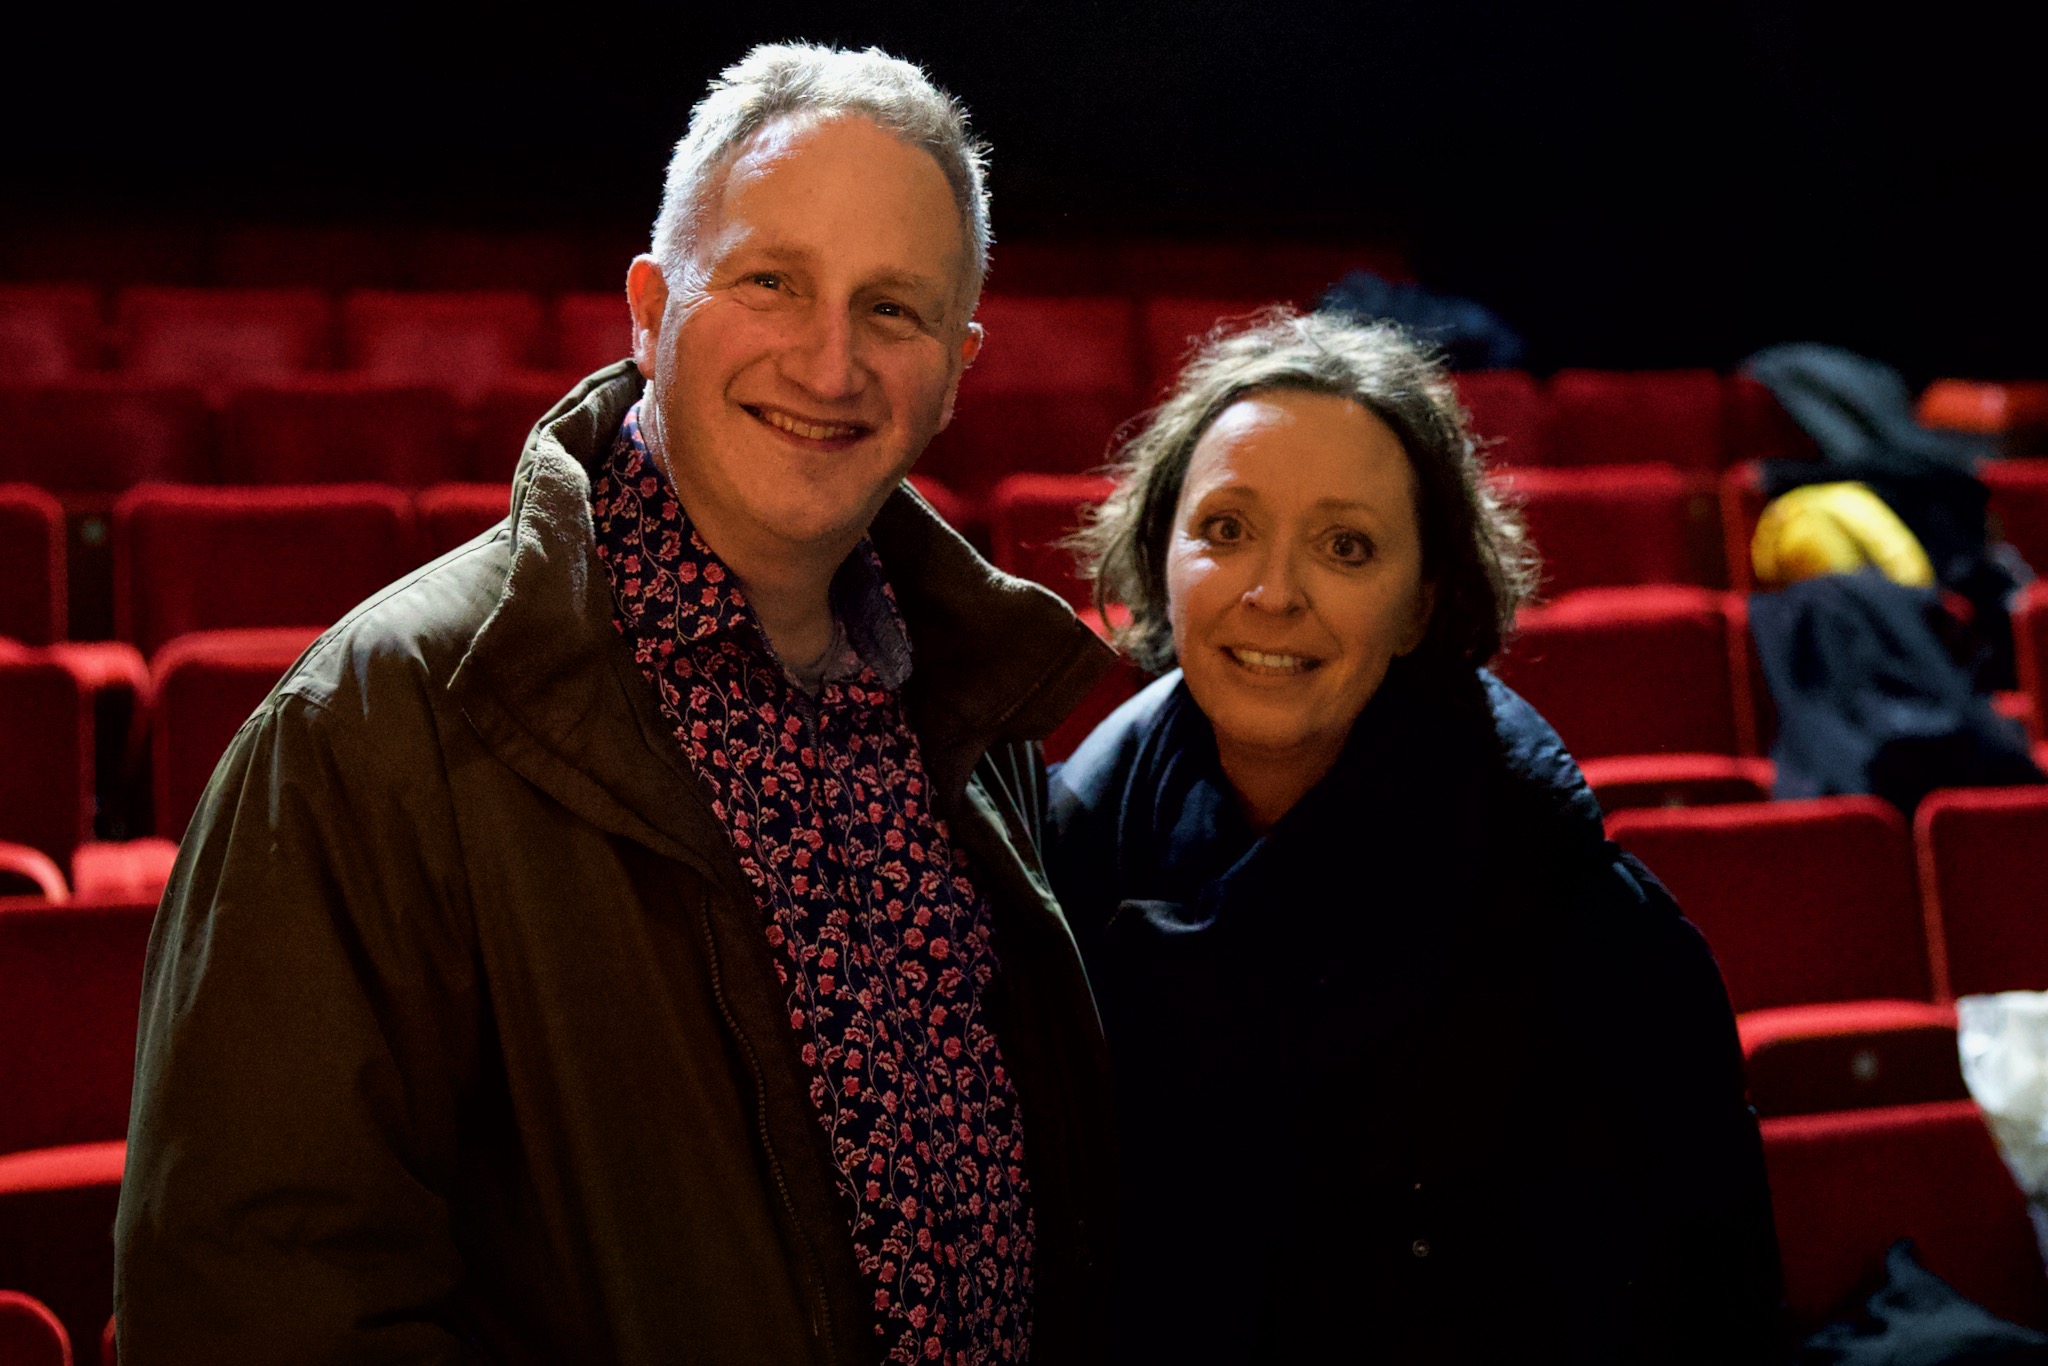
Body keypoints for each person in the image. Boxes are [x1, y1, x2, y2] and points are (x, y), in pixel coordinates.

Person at [115, 44, 1117, 1365]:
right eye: (770, 282)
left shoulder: (970, 713)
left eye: (893, 309)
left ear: (956, 366)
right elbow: (254, 1304)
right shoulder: (371, 726)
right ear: (649, 310)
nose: (830, 364)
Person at [1046, 310, 1784, 1363]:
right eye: (1225, 529)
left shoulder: (1588, 930)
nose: (1271, 593)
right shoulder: (1057, 875)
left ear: (1419, 607)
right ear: (1161, 555)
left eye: (1345, 547)